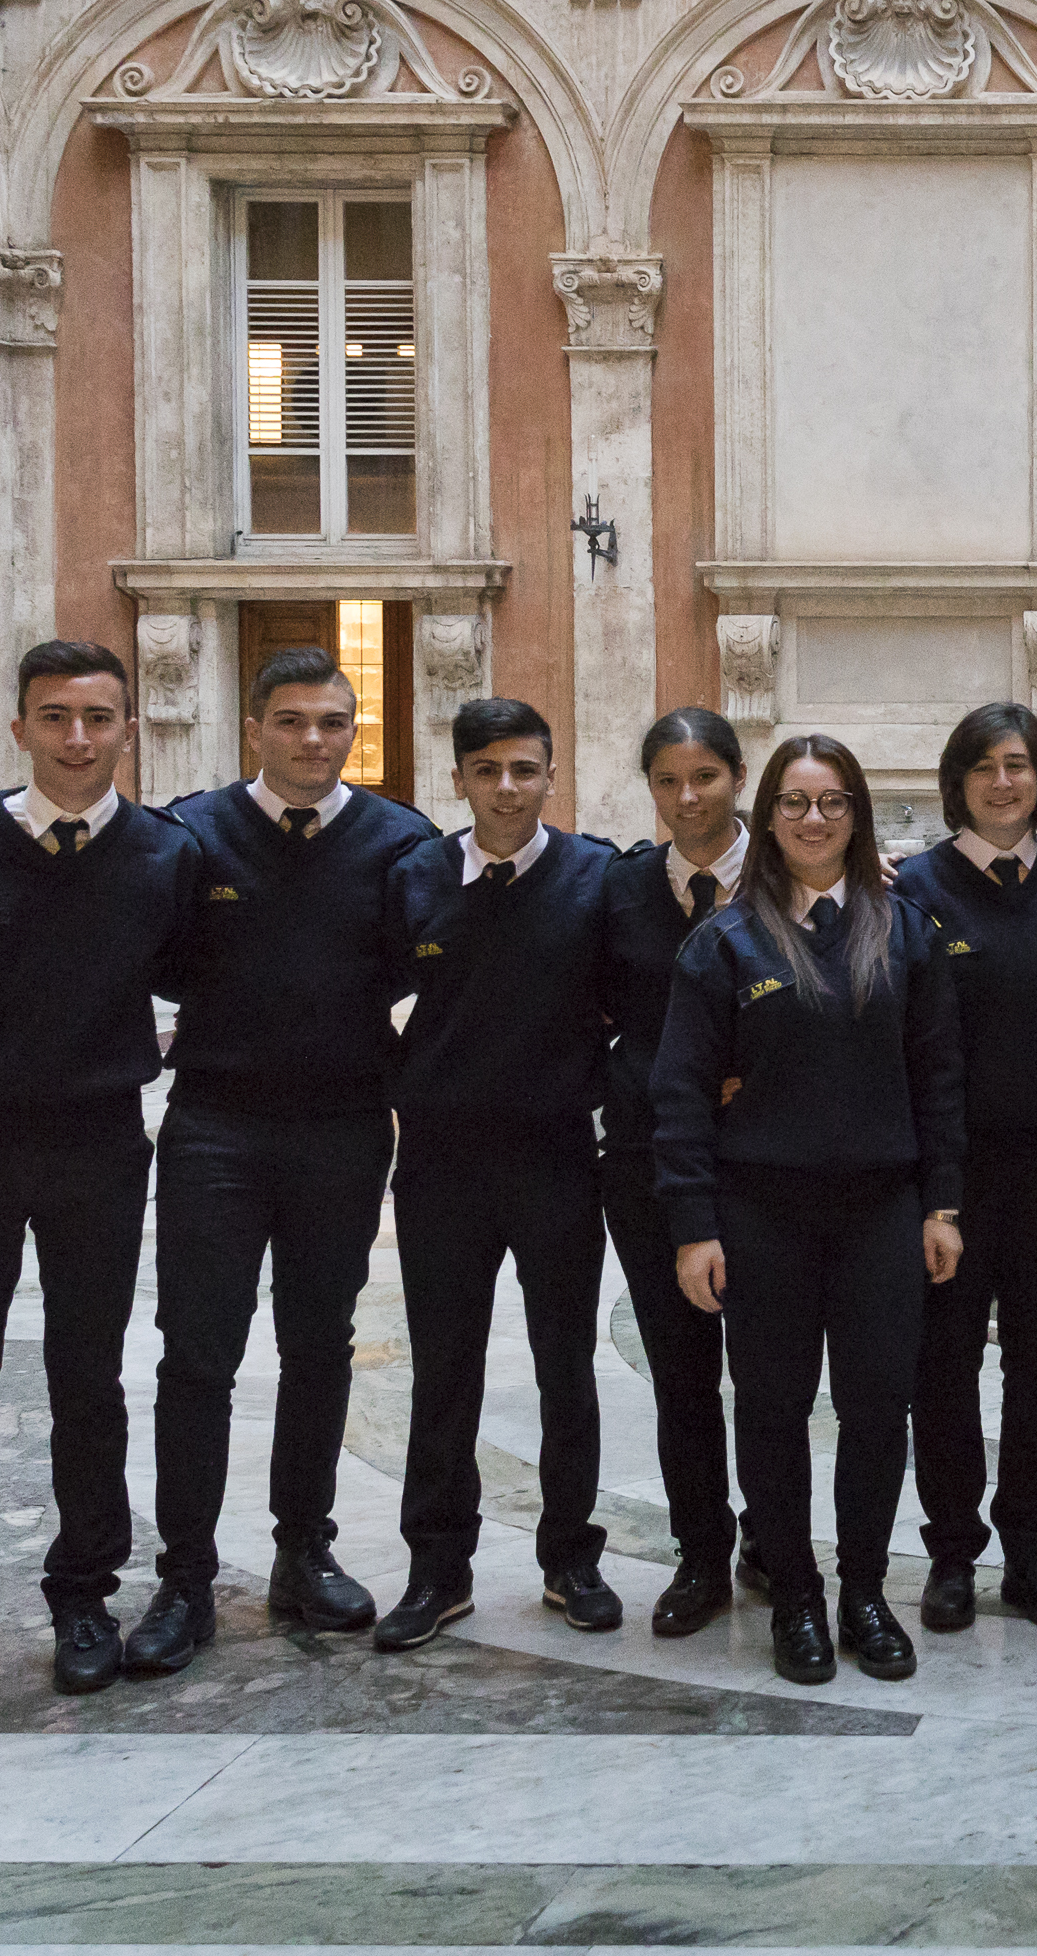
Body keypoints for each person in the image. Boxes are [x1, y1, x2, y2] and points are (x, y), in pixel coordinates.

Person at [0, 642, 200, 1717]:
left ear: (126, 730)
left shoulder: (166, 854)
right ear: (17, 728)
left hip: (99, 1144)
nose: (76, 739)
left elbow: (205, 975)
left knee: (88, 1382)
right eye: (54, 717)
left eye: (97, 719)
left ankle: (83, 1595)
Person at [127, 647, 436, 1677]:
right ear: (256, 726)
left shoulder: (399, 842)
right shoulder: (189, 836)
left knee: (320, 1347)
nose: (315, 739)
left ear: (356, 732)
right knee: (197, 1355)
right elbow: (137, 955)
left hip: (342, 1129)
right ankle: (184, 1577)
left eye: (335, 722)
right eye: (295, 720)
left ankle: (305, 1554)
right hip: (217, 1122)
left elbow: (433, 966)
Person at [656, 735, 967, 1685]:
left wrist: (942, 1206)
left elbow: (939, 1079)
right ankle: (793, 1594)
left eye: (833, 803)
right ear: (770, 815)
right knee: (775, 1409)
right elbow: (678, 1092)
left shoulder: (904, 930)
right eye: (795, 802)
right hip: (762, 1216)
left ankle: (863, 1593)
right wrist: (693, 1227)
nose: (814, 820)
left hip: (882, 1211)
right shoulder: (725, 941)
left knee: (878, 1408)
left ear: (858, 814)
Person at [373, 698, 622, 1651]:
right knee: (445, 1368)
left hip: (557, 1155)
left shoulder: (597, 876)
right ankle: (437, 1569)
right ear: (461, 779)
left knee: (567, 1364)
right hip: (440, 1164)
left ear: (551, 775)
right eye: (488, 771)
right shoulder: (416, 878)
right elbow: (363, 994)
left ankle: (571, 1555)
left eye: (525, 770)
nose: (507, 788)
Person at [895, 703, 1037, 1632]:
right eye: (983, 766)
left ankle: (1030, 1546)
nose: (1003, 782)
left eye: (1018, 764)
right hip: (953, 1173)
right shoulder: (914, 889)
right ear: (958, 782)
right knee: (944, 1364)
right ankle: (951, 1553)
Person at [597, 707, 758, 1636]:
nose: (687, 798)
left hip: (768, 1167)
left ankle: (774, 1542)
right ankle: (702, 1555)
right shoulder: (619, 889)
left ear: (737, 777)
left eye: (704, 777)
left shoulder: (788, 878)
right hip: (652, 1166)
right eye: (668, 782)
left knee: (772, 1376)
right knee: (682, 1373)